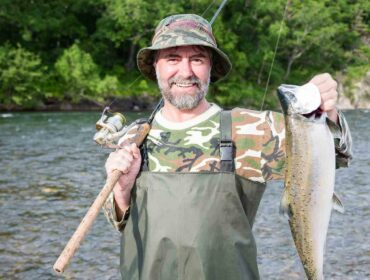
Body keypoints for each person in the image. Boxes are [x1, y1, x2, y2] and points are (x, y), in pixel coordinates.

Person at [103, 14, 352, 279]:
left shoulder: (252, 128)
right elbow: (119, 221)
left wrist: (329, 112)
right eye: (173, 58)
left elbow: (335, 157)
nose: (185, 72)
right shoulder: (132, 139)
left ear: (211, 66)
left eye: (197, 59)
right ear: (156, 66)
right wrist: (121, 190)